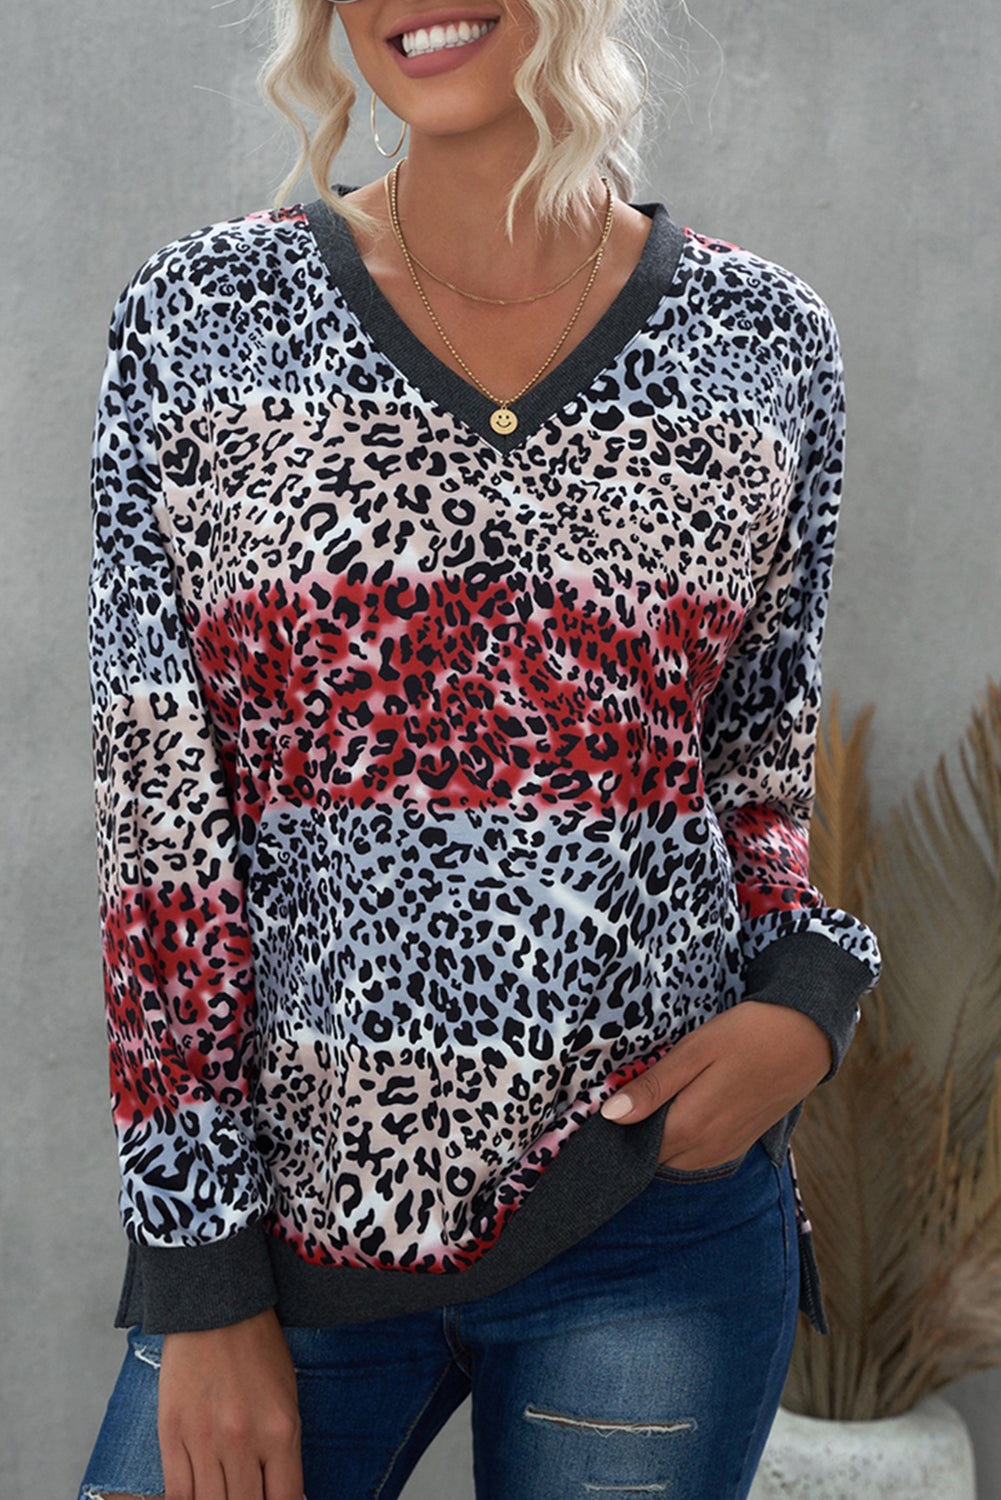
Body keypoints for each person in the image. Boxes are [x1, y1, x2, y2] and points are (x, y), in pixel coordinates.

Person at [77, 1, 882, 1497]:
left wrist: (805, 1001)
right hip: (298, 1231)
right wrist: (201, 1277)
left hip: (656, 1214)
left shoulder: (764, 341)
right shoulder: (202, 322)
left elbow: (753, 768)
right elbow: (159, 830)